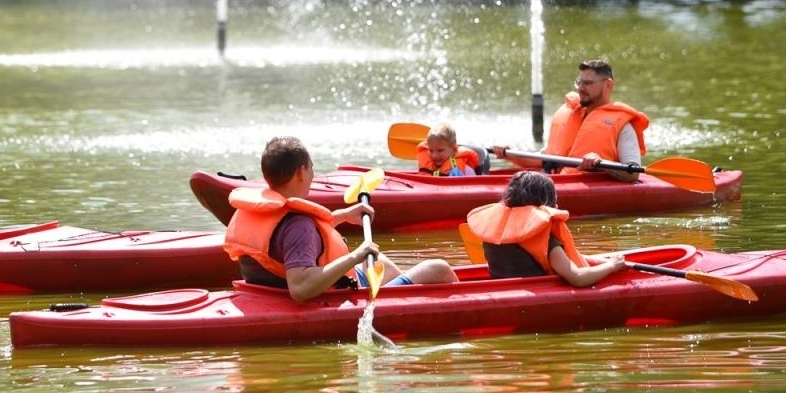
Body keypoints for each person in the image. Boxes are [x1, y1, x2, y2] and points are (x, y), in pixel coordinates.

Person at [223, 136, 457, 301]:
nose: (313, 174)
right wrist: (355, 256)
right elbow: (300, 288)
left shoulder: (261, 210)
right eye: (311, 168)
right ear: (301, 172)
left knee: (380, 262)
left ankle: (396, 301)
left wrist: (344, 215)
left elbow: (285, 239)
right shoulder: (298, 226)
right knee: (438, 268)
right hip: (333, 296)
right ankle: (404, 308)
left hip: (267, 291)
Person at [491, 58, 647, 182]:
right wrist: (509, 153)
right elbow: (543, 159)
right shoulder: (572, 114)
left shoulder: (622, 126)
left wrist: (602, 164)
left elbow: (633, 173)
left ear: (608, 85)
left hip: (587, 188)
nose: (580, 88)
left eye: (587, 83)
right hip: (557, 182)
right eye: (579, 82)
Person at [466, 171, 629, 287]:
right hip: (537, 295)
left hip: (502, 290)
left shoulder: (496, 232)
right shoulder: (542, 235)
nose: (556, 205)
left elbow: (546, 256)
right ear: (545, 203)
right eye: (554, 200)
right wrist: (611, 266)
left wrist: (602, 260)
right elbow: (577, 278)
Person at [415, 122, 486, 177]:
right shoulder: (425, 164)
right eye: (431, 150)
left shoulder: (465, 169)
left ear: (453, 148)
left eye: (440, 150)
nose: (434, 155)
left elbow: (473, 185)